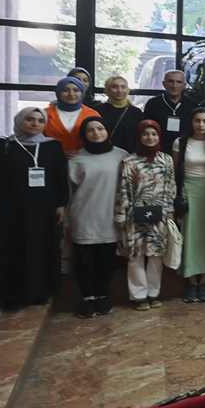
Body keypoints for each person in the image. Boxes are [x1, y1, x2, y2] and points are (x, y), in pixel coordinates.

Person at [0, 109, 68, 311]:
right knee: (12, 247)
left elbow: (60, 177)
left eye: (41, 120)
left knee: (41, 248)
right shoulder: (2, 145)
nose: (35, 124)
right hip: (11, 208)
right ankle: (11, 294)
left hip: (44, 208)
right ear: (19, 120)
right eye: (30, 119)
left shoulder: (52, 146)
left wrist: (61, 204)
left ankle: (39, 292)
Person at [66, 118, 126, 317]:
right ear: (84, 134)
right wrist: (66, 221)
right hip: (83, 216)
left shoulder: (122, 156)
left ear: (107, 131)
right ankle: (87, 298)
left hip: (110, 217)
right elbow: (68, 193)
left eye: (100, 128)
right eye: (90, 130)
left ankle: (101, 296)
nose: (96, 133)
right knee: (84, 261)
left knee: (106, 261)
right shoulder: (75, 159)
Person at [116, 120, 177, 310]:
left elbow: (171, 187)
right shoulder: (129, 161)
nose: (150, 137)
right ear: (139, 136)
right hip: (134, 216)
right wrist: (121, 216)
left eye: (154, 134)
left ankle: (153, 293)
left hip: (160, 215)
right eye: (145, 134)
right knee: (135, 255)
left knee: (156, 254)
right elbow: (123, 190)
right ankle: (139, 296)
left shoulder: (166, 160)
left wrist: (170, 211)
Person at [173, 108, 205, 303]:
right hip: (188, 191)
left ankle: (204, 283)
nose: (201, 125)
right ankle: (192, 283)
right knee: (190, 236)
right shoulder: (180, 142)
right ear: (191, 122)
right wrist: (177, 196)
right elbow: (175, 172)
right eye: (197, 120)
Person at [144, 70, 200, 153]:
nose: (174, 85)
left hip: (186, 150)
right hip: (158, 150)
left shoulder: (192, 104)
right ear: (164, 84)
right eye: (170, 81)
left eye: (179, 82)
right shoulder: (153, 103)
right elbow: (145, 128)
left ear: (184, 85)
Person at [44, 76, 101, 154]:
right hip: (52, 159)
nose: (71, 94)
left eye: (76, 90)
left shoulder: (92, 114)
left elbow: (101, 139)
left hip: (86, 158)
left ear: (82, 92)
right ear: (58, 92)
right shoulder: (45, 114)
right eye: (65, 90)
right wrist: (60, 155)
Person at [95, 76, 144, 153]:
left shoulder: (136, 112)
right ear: (108, 89)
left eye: (123, 87)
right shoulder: (97, 111)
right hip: (104, 153)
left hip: (130, 155)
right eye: (115, 87)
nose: (120, 90)